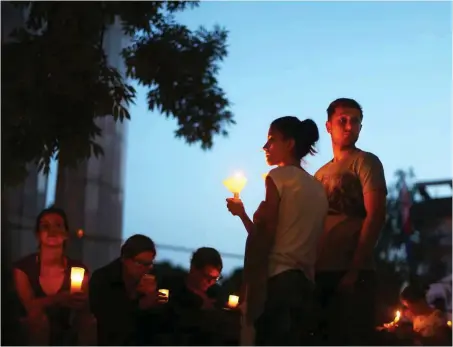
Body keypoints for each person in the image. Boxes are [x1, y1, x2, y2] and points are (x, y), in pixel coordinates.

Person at [227, 116, 328, 345]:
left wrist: (250, 286)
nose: (265, 147)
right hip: (305, 285)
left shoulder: (277, 177)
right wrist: (243, 214)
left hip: (277, 283)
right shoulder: (318, 188)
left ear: (289, 143)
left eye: (271, 140)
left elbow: (265, 236)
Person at [314, 98, 387, 345]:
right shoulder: (320, 174)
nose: (348, 126)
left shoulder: (365, 162)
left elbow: (376, 214)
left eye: (355, 121)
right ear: (328, 126)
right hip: (321, 271)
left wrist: (354, 269)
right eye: (342, 120)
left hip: (354, 272)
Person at [12, 207, 96, 345]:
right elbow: (30, 306)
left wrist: (81, 302)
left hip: (66, 328)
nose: (52, 231)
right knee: (37, 318)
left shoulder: (78, 270)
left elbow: (84, 309)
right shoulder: (24, 268)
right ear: (38, 234)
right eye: (45, 226)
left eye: (58, 225)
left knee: (89, 322)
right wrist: (59, 298)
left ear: (66, 234)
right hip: (30, 329)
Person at [89, 234, 166, 345]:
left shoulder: (152, 279)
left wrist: (156, 303)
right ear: (124, 259)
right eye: (140, 263)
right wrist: (140, 305)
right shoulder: (104, 279)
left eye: (149, 264)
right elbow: (108, 323)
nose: (145, 269)